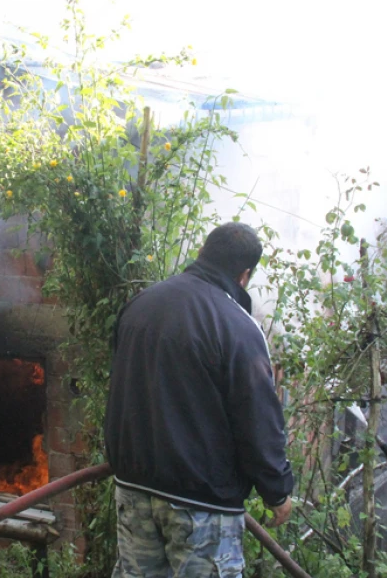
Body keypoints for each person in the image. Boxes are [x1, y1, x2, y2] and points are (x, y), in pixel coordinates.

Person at [104, 222, 294, 578]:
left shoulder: (140, 305)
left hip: (132, 488)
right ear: (245, 274)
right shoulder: (238, 326)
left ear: (202, 253)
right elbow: (257, 419)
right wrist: (277, 491)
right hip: (201, 501)